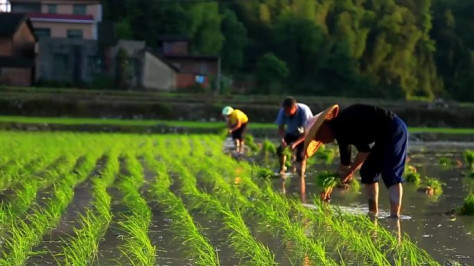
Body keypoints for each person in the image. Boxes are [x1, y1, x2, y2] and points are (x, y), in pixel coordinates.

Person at [303, 104, 408, 218]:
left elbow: (364, 152)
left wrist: (349, 173)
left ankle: (394, 216)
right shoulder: (339, 132)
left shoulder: (344, 125)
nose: (323, 142)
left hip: (394, 128)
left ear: (323, 128)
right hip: (382, 136)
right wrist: (329, 187)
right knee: (368, 171)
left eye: (319, 138)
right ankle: (373, 212)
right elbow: (344, 165)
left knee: (391, 174)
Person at [275, 97, 313, 177]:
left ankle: (301, 174)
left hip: (304, 134)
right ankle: (282, 168)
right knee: (280, 150)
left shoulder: (304, 111)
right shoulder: (283, 111)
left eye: (288, 111)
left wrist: (295, 143)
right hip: (291, 132)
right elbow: (281, 128)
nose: (286, 113)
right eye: (285, 111)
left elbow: (307, 132)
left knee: (301, 155)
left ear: (295, 108)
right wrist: (282, 140)